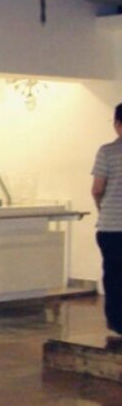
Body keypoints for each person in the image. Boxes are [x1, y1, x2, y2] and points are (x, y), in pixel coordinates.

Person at [91, 102, 122, 338]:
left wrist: (102, 208)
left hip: (111, 227)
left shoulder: (108, 152)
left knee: (114, 276)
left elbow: (97, 188)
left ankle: (117, 323)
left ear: (117, 124)